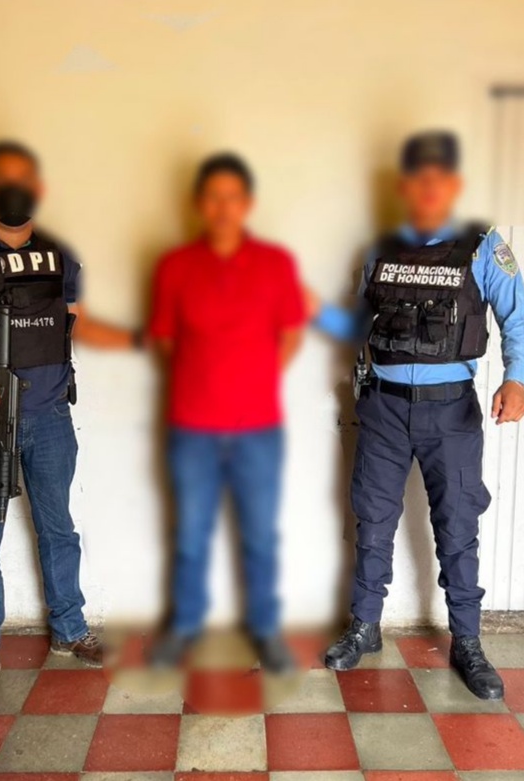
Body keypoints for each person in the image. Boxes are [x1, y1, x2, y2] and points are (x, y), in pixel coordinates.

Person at [308, 131, 524, 699]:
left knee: (458, 528)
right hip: (383, 408)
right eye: (418, 179)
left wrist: (518, 379)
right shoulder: (380, 249)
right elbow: (357, 324)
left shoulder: (484, 246)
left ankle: (468, 642)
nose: (428, 189)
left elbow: (517, 318)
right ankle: (365, 626)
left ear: (454, 186)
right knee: (372, 520)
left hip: (451, 413)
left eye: (438, 179)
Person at [0, 140, 134, 712]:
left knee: (59, 529)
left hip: (50, 418)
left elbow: (71, 323)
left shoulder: (61, 257)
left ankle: (70, 628)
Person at [148, 152, 306, 672]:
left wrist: (251, 381)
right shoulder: (175, 266)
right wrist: (208, 380)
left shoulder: (276, 263)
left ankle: (265, 629)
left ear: (247, 203)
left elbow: (291, 334)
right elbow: (166, 340)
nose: (223, 207)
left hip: (259, 429)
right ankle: (185, 626)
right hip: (192, 429)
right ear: (199, 203)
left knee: (260, 537)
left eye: (232, 197)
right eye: (213, 197)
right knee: (191, 537)